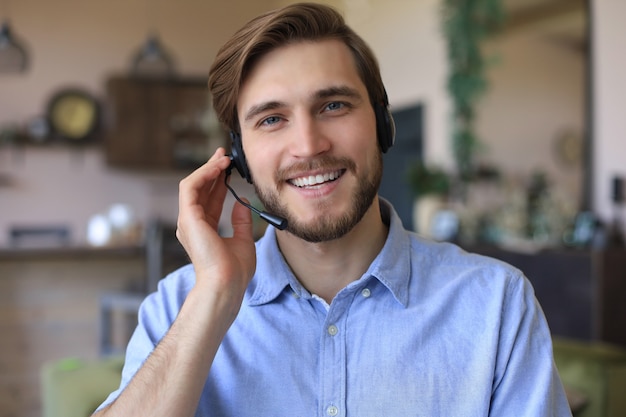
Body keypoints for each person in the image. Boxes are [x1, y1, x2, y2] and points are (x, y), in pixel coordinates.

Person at [94, 3, 572, 416]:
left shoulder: (496, 304)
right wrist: (214, 297)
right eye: (272, 119)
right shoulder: (178, 307)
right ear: (236, 158)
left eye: (334, 106)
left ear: (383, 124)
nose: (308, 146)